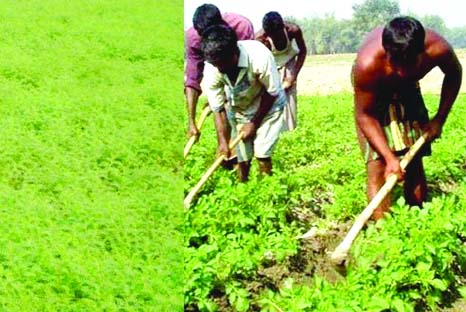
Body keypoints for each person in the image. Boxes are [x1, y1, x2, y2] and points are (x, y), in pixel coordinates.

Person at [352, 16, 462, 220]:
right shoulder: (367, 66)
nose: (402, 71)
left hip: (410, 92)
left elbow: (454, 74)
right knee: (377, 166)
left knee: (414, 159)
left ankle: (416, 219)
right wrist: (389, 157)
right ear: (386, 53)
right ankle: (384, 235)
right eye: (396, 65)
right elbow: (365, 115)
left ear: (422, 52)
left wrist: (439, 119)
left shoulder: (438, 48)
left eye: (409, 64)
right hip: (377, 98)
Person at [201, 24, 287, 182]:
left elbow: (271, 92)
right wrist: (222, 141)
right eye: (215, 65)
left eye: (223, 63)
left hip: (269, 105)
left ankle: (267, 193)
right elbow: (218, 108)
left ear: (234, 53)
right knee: (242, 156)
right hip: (241, 107)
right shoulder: (213, 68)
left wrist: (253, 123)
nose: (220, 69)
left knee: (262, 153)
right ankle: (244, 187)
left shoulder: (259, 57)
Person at [185, 3, 254, 139]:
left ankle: (235, 152)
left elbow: (247, 70)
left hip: (241, 78)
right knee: (220, 110)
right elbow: (192, 80)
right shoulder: (193, 38)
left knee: (239, 119)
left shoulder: (241, 27)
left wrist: (228, 98)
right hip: (217, 74)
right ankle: (225, 148)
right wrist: (191, 122)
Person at [256, 11, 307, 131]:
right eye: (271, 35)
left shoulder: (293, 30)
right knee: (270, 97)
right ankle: (271, 130)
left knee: (289, 99)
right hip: (271, 64)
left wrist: (292, 76)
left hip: (289, 62)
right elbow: (260, 62)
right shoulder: (260, 39)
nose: (275, 37)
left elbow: (302, 51)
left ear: (283, 28)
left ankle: (289, 131)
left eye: (277, 34)